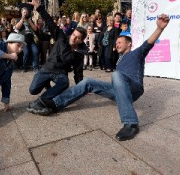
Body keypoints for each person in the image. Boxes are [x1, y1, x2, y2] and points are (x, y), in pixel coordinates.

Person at [27, 14, 170, 141]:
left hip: (134, 88)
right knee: (88, 82)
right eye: (116, 42)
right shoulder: (119, 61)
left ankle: (131, 123)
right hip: (119, 91)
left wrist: (159, 28)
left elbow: (149, 43)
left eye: (120, 42)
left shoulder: (137, 53)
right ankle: (53, 104)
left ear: (129, 44)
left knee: (116, 74)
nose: (117, 44)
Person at [27, 0, 87, 114]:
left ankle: (42, 101)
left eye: (78, 38)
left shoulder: (80, 52)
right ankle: (46, 84)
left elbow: (78, 70)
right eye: (74, 35)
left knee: (64, 83)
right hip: (48, 68)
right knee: (33, 90)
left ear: (81, 40)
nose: (74, 38)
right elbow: (50, 22)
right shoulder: (62, 37)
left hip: (60, 72)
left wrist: (81, 87)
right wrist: (39, 7)